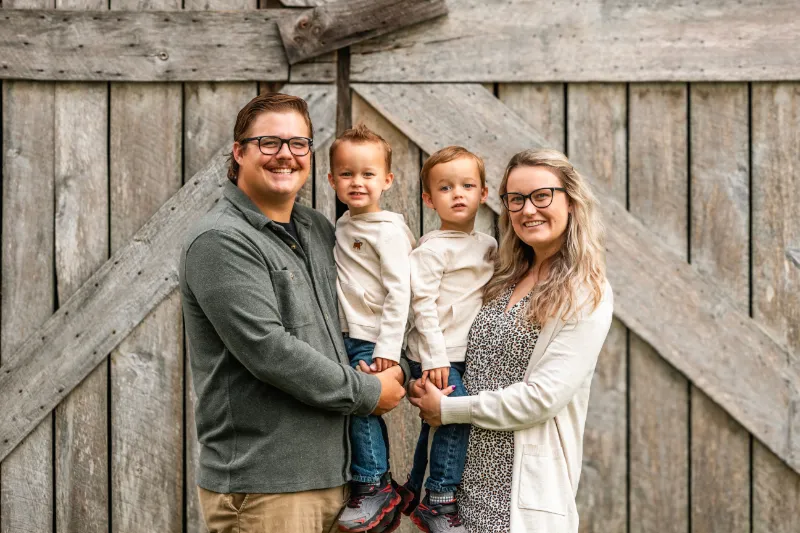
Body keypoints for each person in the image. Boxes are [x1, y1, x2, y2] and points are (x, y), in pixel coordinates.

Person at [178, 93, 408, 533]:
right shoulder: (220, 241)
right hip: (270, 488)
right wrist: (367, 392)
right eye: (269, 142)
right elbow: (269, 351)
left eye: (298, 144)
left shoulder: (319, 229)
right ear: (239, 152)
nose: (285, 154)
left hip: (342, 483)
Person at [408, 148, 613, 533]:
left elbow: (543, 398)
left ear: (571, 201)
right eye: (515, 199)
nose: (528, 209)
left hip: (519, 499)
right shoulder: (501, 275)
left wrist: (448, 409)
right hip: (456, 494)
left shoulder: (585, 291)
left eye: (542, 195)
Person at [399, 146, 496, 532]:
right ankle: (439, 500)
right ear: (429, 198)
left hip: (465, 353)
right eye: (445, 187)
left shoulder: (489, 245)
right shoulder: (431, 249)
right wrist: (434, 358)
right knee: (455, 417)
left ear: (483, 193)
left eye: (467, 185)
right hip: (437, 354)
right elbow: (421, 306)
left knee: (436, 424)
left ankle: (412, 487)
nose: (458, 194)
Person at [325, 124, 417, 532]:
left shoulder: (389, 230)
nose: (357, 182)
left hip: (373, 337)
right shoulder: (343, 226)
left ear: (387, 180)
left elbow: (401, 292)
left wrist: (387, 350)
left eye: (368, 174)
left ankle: (374, 484)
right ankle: (371, 484)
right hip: (347, 333)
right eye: (346, 174)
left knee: (363, 407)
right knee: (350, 407)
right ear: (331, 180)